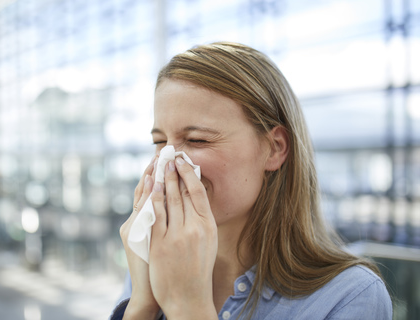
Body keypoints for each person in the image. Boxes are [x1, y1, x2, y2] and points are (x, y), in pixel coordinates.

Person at [110, 42, 392, 320]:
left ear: (275, 148)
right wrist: (142, 305)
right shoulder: (157, 259)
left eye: (197, 139)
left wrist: (188, 307)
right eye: (160, 141)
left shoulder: (351, 297)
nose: (166, 162)